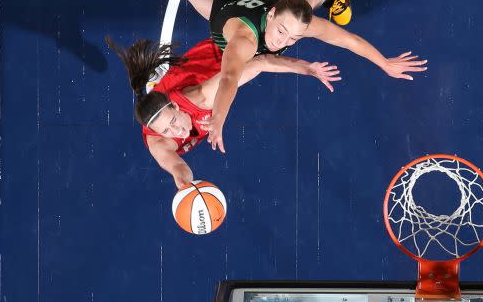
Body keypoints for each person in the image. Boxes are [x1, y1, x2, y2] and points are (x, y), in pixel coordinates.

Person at [146, 0, 428, 153]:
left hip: (257, 5)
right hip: (229, 4)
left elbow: (348, 40)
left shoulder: (294, 21)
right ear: (271, 16)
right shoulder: (244, 41)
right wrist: (218, 118)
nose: (282, 42)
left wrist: (385, 63)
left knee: (301, 2)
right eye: (281, 32)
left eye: (292, 39)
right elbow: (230, 78)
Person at [107, 36, 340, 189]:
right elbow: (176, 166)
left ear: (177, 107)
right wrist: (185, 184)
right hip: (175, 86)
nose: (176, 130)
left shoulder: (201, 97)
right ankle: (157, 84)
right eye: (167, 131)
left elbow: (259, 63)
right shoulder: (159, 142)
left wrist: (306, 68)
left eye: (174, 121)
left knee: (288, 28)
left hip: (226, 47)